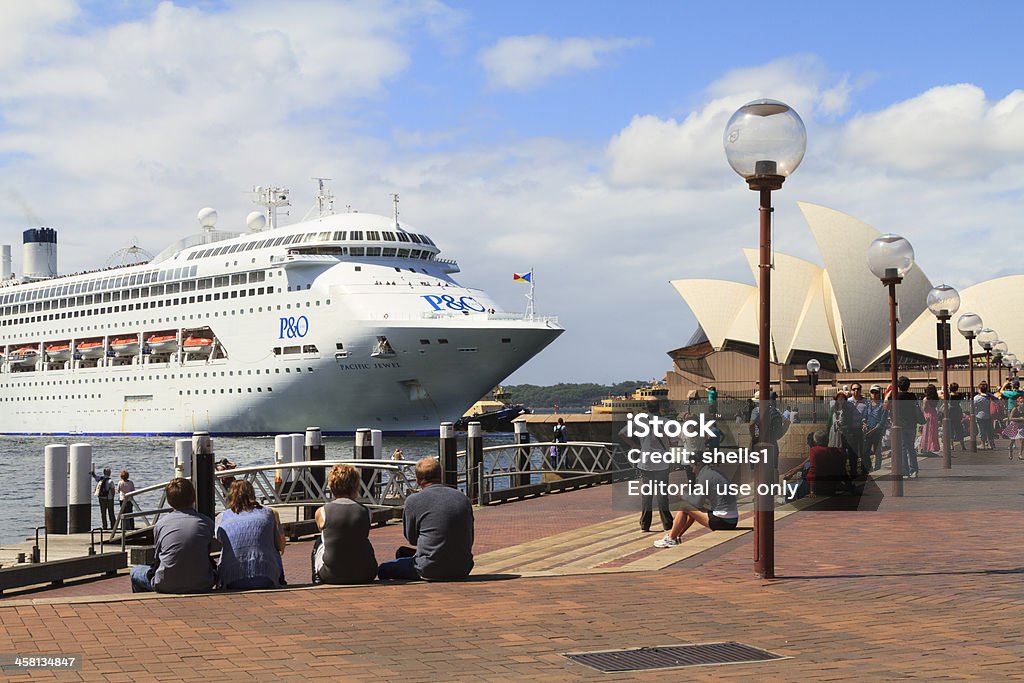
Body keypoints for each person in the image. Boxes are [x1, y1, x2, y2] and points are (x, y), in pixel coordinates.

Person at [378, 457, 474, 581]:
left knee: (383, 569)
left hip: (429, 568)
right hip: (463, 567)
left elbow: (412, 539)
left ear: (418, 481)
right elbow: (470, 538)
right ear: (441, 476)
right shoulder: (463, 498)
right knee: (405, 554)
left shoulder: (413, 501)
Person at [130, 478, 216, 593]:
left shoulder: (161, 525)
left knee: (136, 572)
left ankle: (144, 605)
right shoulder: (207, 523)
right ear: (193, 497)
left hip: (166, 584)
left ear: (169, 501)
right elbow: (206, 553)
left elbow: (158, 559)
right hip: (202, 583)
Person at [312, 464, 378, 584]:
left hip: (331, 575)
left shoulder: (322, 512)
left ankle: (317, 578)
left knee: (319, 542)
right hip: (365, 574)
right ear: (356, 486)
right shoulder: (367, 511)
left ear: (331, 486)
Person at [215, 480, 286, 590]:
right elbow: (281, 546)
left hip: (232, 580)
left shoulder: (222, 517)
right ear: (252, 494)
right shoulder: (268, 513)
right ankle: (281, 581)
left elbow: (219, 540)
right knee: (273, 550)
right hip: (266, 577)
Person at [654, 458, 738, 547]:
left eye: (692, 467)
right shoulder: (713, 473)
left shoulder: (705, 476)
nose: (693, 471)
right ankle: (676, 536)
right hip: (732, 520)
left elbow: (698, 502)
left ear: (698, 464)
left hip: (722, 522)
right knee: (691, 508)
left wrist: (683, 495)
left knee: (684, 507)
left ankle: (671, 539)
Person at [619, 410, 675, 534]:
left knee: (647, 495)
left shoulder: (640, 421)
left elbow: (622, 433)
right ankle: (667, 522)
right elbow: (674, 441)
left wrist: (635, 445)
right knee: (662, 494)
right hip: (662, 463)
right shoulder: (666, 422)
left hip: (646, 463)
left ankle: (645, 524)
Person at [895, 376, 924, 478]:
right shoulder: (912, 396)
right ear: (908, 385)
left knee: (903, 447)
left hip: (901, 425)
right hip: (911, 425)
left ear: (898, 385)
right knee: (910, 447)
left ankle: (905, 471)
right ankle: (914, 470)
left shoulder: (896, 396)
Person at [863, 385, 888, 471]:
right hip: (868, 430)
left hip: (877, 431)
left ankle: (878, 468)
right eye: (872, 392)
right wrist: (864, 423)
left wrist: (875, 429)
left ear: (879, 393)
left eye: (876, 392)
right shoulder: (868, 404)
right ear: (870, 393)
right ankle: (869, 468)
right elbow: (864, 416)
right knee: (865, 452)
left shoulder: (883, 405)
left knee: (877, 451)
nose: (874, 394)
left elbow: (883, 420)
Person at [91, 467, 116, 531]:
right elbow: (113, 491)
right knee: (111, 513)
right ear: (109, 473)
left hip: (101, 498)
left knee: (103, 513)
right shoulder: (111, 481)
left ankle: (104, 526)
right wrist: (113, 497)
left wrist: (93, 473)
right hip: (109, 499)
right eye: (110, 472)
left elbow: (95, 477)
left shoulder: (100, 479)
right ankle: (113, 526)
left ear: (104, 473)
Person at [919, 384, 941, 456]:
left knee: (926, 432)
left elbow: (924, 408)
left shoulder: (926, 399)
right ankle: (933, 447)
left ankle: (926, 448)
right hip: (934, 414)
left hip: (927, 415)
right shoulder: (936, 398)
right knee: (933, 432)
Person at [974, 383, 996, 450]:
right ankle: (991, 445)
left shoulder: (977, 398)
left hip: (979, 416)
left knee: (981, 430)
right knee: (989, 430)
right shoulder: (990, 396)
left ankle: (982, 444)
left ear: (979, 389)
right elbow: (997, 399)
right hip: (989, 415)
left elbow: (973, 406)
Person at [946, 382, 966, 451]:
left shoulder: (949, 396)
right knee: (959, 428)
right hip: (957, 412)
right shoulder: (960, 395)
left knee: (951, 429)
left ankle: (952, 446)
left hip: (951, 413)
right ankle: (963, 445)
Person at [1006, 396, 1024, 460]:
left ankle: (1020, 454)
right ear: (1018, 403)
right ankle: (1010, 452)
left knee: (1022, 440)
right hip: (1014, 425)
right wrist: (1019, 418)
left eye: (1023, 402)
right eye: (1021, 402)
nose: (1022, 403)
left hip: (1021, 425)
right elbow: (1010, 418)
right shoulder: (1015, 409)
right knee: (1012, 441)